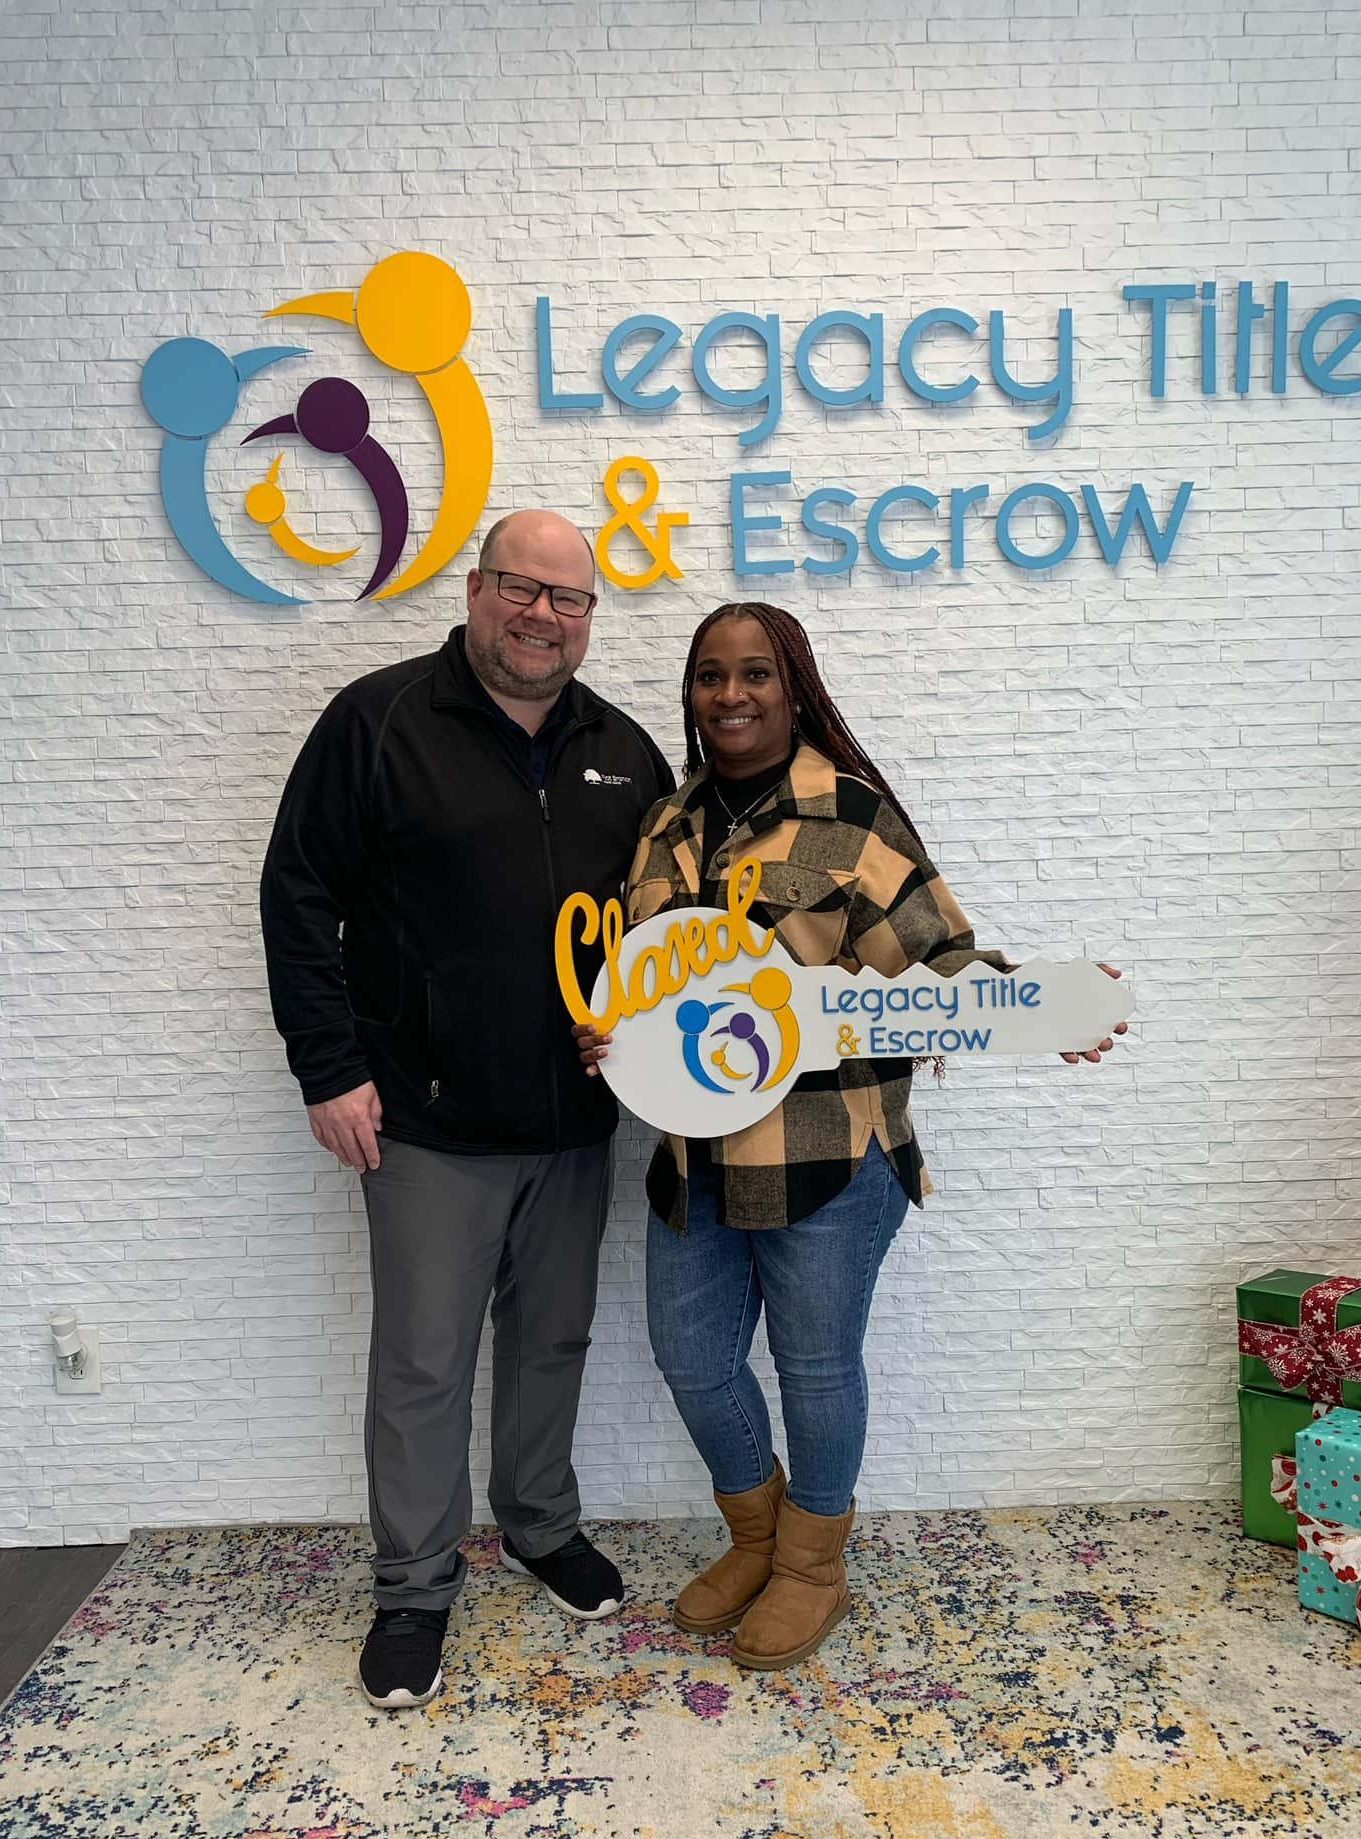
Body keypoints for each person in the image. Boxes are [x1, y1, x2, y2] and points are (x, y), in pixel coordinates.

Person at [576, 602, 1125, 1672]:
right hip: (697, 1159)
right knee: (691, 1355)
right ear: (689, 693)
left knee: (815, 1366)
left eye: (756, 675)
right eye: (709, 676)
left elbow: (940, 952)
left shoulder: (853, 817)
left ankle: (814, 1569)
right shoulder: (664, 823)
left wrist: (1036, 1010)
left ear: (794, 687)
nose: (730, 695)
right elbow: (641, 981)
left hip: (829, 1150)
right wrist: (609, 1032)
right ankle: (762, 1539)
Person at [260, 510, 673, 1710]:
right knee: (426, 1363)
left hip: (576, 1126)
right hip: (429, 1125)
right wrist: (327, 1065)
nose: (543, 615)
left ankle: (541, 1525)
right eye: (521, 588)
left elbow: (674, 935)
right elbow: (299, 894)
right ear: (478, 588)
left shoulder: (628, 751)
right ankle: (413, 1585)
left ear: (592, 617)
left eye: (570, 599)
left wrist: (664, 1051)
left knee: (553, 1341)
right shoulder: (378, 720)